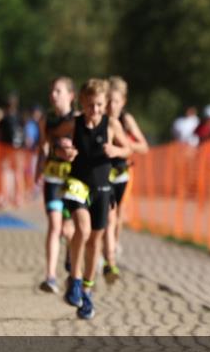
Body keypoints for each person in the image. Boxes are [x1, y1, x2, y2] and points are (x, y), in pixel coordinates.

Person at [57, 78, 131, 319]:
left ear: (106, 103)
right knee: (82, 228)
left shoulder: (111, 125)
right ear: (82, 103)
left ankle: (87, 290)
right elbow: (55, 142)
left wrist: (116, 151)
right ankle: (75, 279)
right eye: (90, 105)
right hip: (78, 183)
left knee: (94, 242)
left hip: (102, 187)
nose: (95, 110)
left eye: (99, 105)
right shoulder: (74, 123)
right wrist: (64, 150)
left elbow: (128, 148)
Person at [35, 77, 77, 294]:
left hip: (72, 181)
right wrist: (38, 169)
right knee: (54, 226)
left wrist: (72, 150)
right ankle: (50, 276)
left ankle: (71, 254)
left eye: (58, 91)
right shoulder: (46, 120)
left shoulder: (78, 120)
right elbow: (42, 146)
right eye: (52, 91)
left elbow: (84, 150)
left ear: (71, 96)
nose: (54, 95)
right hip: (52, 178)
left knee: (68, 230)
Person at [104, 76, 149, 280]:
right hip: (103, 172)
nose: (111, 105)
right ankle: (108, 253)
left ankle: (112, 246)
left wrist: (125, 147)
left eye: (116, 101)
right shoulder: (100, 118)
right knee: (108, 214)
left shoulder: (126, 120)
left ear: (123, 102)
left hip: (123, 173)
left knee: (118, 215)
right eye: (108, 100)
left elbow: (144, 146)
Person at [0, 94, 25, 208]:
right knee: (18, 172)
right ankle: (19, 197)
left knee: (5, 172)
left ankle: (5, 197)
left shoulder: (4, 119)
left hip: (6, 148)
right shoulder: (20, 117)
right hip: (19, 148)